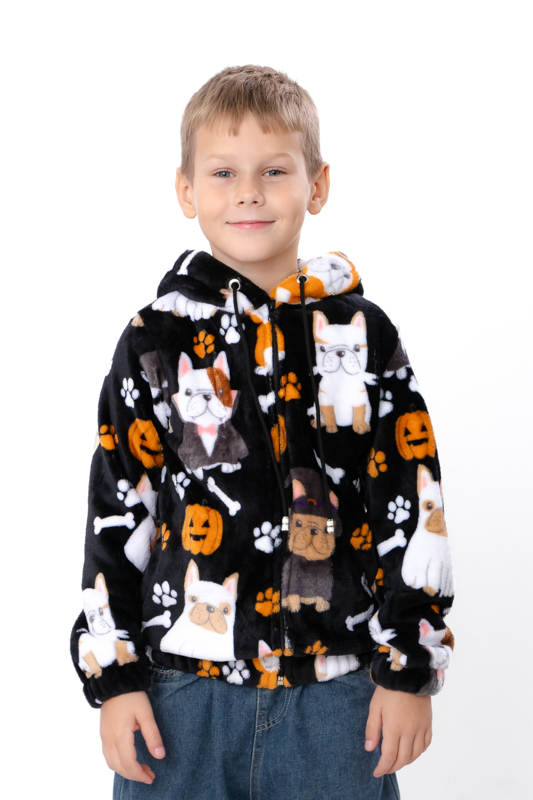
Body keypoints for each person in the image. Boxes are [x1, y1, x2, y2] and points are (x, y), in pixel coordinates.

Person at [71, 65, 455, 800]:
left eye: (273, 170)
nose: (248, 191)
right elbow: (118, 510)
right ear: (186, 191)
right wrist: (114, 676)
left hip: (338, 695)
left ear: (317, 185)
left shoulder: (362, 334)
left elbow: (411, 501)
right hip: (180, 694)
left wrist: (409, 667)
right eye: (223, 172)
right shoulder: (153, 340)